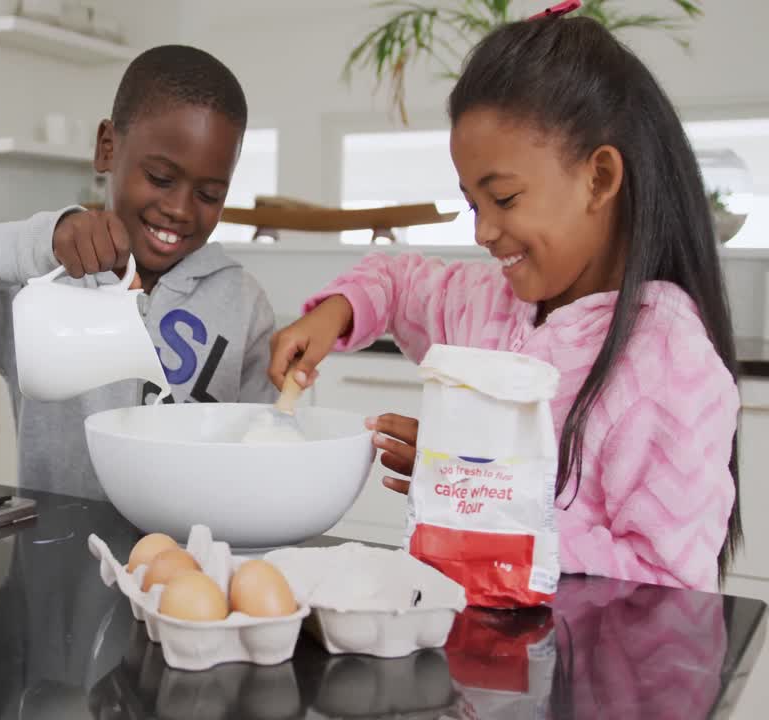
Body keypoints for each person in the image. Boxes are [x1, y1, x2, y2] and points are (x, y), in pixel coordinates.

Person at [270, 16, 740, 591]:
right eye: (472, 205)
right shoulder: (486, 305)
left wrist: (473, 493)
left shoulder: (669, 365)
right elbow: (398, 282)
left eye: (504, 198)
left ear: (598, 178)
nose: (484, 231)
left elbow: (669, 583)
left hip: (579, 672)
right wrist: (335, 312)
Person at [0, 45, 277, 499]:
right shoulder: (38, 285)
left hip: (193, 564)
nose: (180, 210)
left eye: (208, 195)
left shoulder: (244, 304)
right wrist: (39, 242)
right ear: (107, 147)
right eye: (162, 179)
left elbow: (258, 459)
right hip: (55, 562)